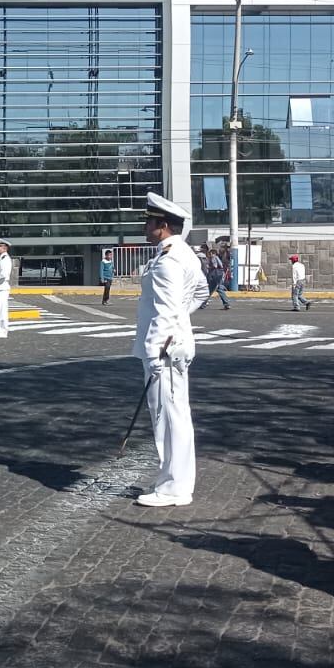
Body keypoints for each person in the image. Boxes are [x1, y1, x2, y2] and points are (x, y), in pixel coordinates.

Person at [133, 193, 210, 507]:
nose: (146, 227)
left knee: (168, 416)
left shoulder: (168, 260)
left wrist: (154, 353)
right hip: (174, 344)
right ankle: (176, 482)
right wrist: (181, 319)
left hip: (164, 350)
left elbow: (164, 311)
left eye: (149, 222)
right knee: (175, 414)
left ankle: (173, 488)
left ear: (162, 225)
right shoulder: (184, 253)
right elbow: (202, 291)